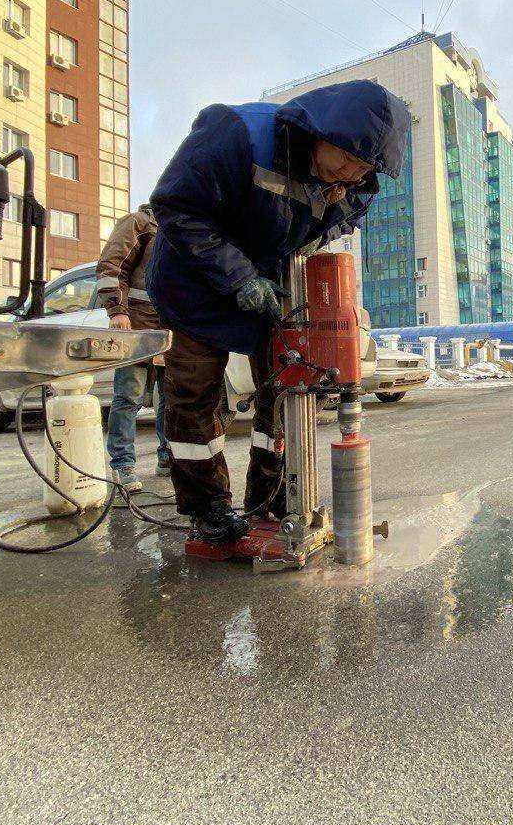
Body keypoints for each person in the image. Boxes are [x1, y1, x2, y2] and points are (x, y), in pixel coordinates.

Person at [146, 82, 412, 545]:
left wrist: (310, 241)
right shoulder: (237, 135)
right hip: (195, 281)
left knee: (286, 388)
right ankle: (207, 510)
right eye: (346, 159)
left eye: (363, 168)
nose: (350, 175)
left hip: (271, 286)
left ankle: (269, 500)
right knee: (194, 395)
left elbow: (343, 217)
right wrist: (238, 277)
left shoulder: (354, 183)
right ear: (318, 132)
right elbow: (174, 205)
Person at [95, 203, 171, 491]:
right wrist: (117, 311)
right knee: (129, 397)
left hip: (168, 330)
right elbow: (110, 267)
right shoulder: (140, 223)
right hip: (137, 326)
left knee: (170, 399)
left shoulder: (180, 228)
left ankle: (167, 458)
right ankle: (123, 465)